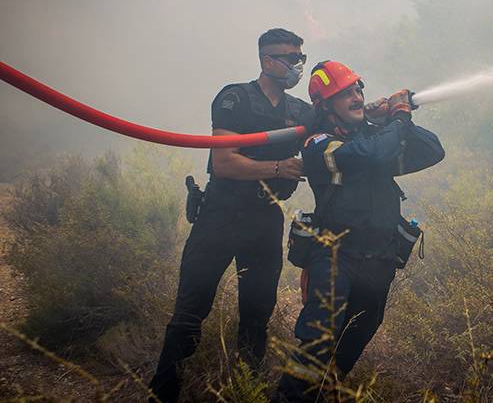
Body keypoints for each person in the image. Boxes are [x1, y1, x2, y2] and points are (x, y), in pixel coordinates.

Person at [149, 28, 314, 402]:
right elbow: (224, 162)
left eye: (300, 58)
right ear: (267, 60)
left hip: (265, 220)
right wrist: (278, 168)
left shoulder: (301, 111)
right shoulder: (235, 98)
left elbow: (336, 126)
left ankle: (244, 392)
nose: (297, 66)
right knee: (190, 313)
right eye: (290, 58)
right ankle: (162, 394)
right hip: (221, 217)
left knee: (257, 318)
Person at [274, 60, 445, 402]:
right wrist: (397, 118)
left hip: (379, 259)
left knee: (356, 336)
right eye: (345, 93)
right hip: (335, 256)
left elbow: (432, 150)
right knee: (318, 342)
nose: (356, 97)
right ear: (326, 106)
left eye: (357, 90)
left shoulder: (373, 136)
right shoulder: (318, 143)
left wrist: (389, 119)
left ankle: (323, 394)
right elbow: (371, 155)